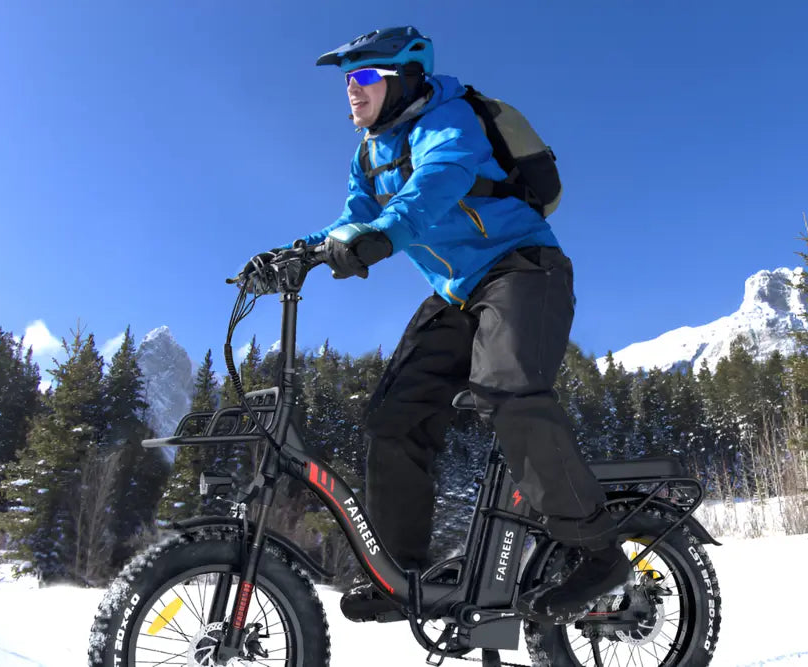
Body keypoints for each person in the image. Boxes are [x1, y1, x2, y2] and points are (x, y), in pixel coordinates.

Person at [250, 26, 631, 623]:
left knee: (507, 388)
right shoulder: (370, 153)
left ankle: (597, 550)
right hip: (457, 292)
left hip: (523, 270)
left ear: (404, 77)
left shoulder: (449, 121)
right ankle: (402, 574)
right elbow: (351, 219)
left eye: (364, 78)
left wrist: (381, 236)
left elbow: (433, 188)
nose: (351, 91)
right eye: (348, 81)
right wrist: (293, 254)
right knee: (392, 417)